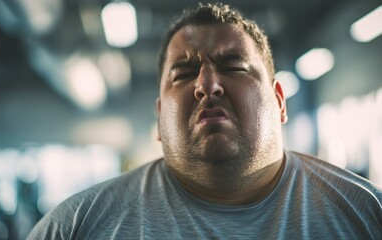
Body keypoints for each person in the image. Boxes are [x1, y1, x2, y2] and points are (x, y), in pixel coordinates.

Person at [27, 3, 382, 239]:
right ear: (160, 117)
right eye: (183, 73)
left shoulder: (365, 215)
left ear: (278, 101)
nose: (207, 85)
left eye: (233, 67)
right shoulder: (77, 227)